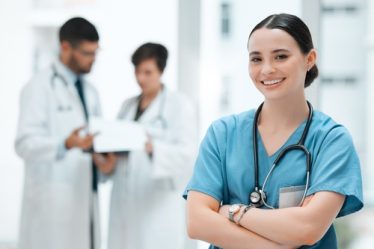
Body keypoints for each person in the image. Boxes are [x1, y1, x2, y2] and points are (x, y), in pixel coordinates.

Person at [183, 13, 363, 249]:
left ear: (309, 59)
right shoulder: (223, 134)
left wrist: (234, 212)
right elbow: (198, 223)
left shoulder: (332, 140)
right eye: (256, 59)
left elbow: (307, 229)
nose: (267, 69)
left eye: (280, 56)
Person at [95, 42, 198, 249]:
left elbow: (188, 154)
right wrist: (107, 159)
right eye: (137, 71)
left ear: (161, 71)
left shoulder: (179, 105)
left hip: (157, 203)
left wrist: (155, 149)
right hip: (124, 200)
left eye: (147, 72)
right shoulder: (127, 106)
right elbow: (117, 145)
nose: (140, 78)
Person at [15, 17, 105, 249]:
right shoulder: (39, 87)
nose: (93, 59)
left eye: (96, 52)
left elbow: (95, 139)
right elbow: (24, 143)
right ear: (65, 47)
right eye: (87, 53)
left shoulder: (91, 91)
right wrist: (65, 143)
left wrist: (104, 157)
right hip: (51, 206)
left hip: (84, 198)